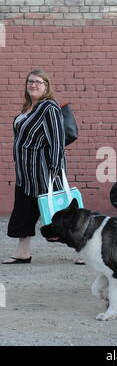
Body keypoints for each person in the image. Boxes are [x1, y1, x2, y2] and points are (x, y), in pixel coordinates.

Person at [2, 69, 67, 264]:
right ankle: (23, 253)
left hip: (44, 170)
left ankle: (82, 250)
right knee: (23, 211)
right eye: (30, 82)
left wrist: (55, 168)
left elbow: (57, 140)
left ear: (46, 86)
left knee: (60, 214)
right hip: (25, 172)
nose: (34, 85)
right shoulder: (28, 107)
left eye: (39, 82)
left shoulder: (49, 108)